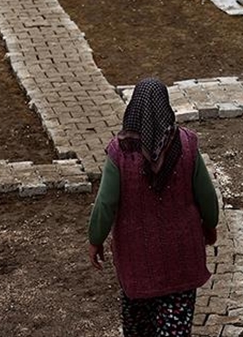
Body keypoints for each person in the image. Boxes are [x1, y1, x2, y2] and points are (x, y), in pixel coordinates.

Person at [88, 78, 220, 337]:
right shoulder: (186, 145)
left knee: (139, 328)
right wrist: (210, 225)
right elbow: (206, 194)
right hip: (181, 259)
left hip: (137, 263)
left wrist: (96, 239)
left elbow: (105, 202)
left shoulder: (121, 152)